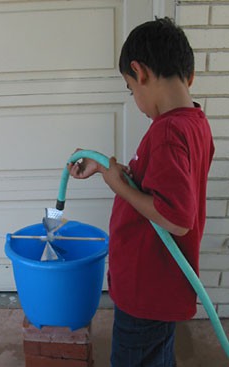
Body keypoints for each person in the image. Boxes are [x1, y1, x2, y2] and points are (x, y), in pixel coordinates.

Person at [68, 17, 215, 367]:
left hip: (145, 287)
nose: (135, 98)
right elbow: (166, 184)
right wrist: (107, 169)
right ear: (189, 75)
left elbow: (177, 218)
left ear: (140, 71)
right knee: (157, 357)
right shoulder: (194, 123)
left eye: (130, 88)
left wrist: (118, 186)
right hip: (160, 285)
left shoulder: (167, 132)